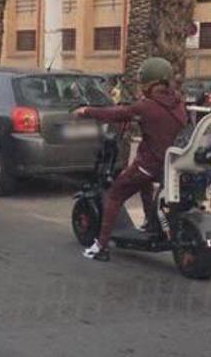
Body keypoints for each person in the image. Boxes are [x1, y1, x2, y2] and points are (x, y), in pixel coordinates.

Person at [74, 57, 187, 262]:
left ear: (149, 82)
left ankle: (100, 246)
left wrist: (86, 111)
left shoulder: (147, 106)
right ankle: (150, 223)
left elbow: (117, 113)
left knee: (116, 194)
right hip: (171, 165)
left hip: (150, 164)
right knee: (144, 185)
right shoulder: (178, 102)